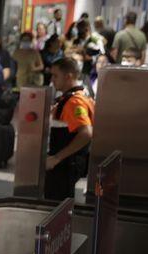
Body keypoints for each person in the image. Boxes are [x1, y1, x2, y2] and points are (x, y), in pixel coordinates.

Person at [45, 57, 94, 201]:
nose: (52, 79)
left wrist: (56, 158)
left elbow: (86, 133)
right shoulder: (73, 96)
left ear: (68, 76)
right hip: (65, 162)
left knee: (56, 205)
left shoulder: (75, 101)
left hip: (65, 164)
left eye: (55, 76)